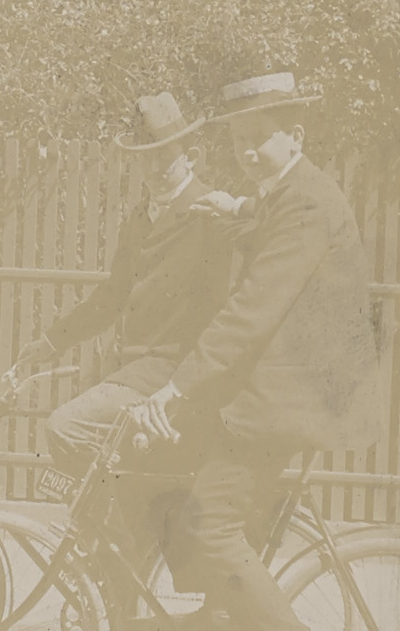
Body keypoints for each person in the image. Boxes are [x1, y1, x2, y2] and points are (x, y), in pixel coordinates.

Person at [130, 71, 382, 631]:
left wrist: (176, 385)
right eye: (238, 139)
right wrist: (235, 207)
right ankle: (226, 608)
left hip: (291, 395)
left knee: (206, 521)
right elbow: (266, 215)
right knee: (218, 510)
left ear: (295, 135)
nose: (246, 151)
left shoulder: (305, 204)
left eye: (259, 138)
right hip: (286, 388)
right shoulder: (291, 192)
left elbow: (252, 307)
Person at [12, 92, 234, 482]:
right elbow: (113, 296)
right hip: (134, 372)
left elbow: (228, 310)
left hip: (173, 375)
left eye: (164, 156)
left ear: (191, 156)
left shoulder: (211, 213)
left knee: (65, 428)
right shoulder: (140, 217)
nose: (154, 168)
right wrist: (52, 341)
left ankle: (124, 516)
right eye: (145, 157)